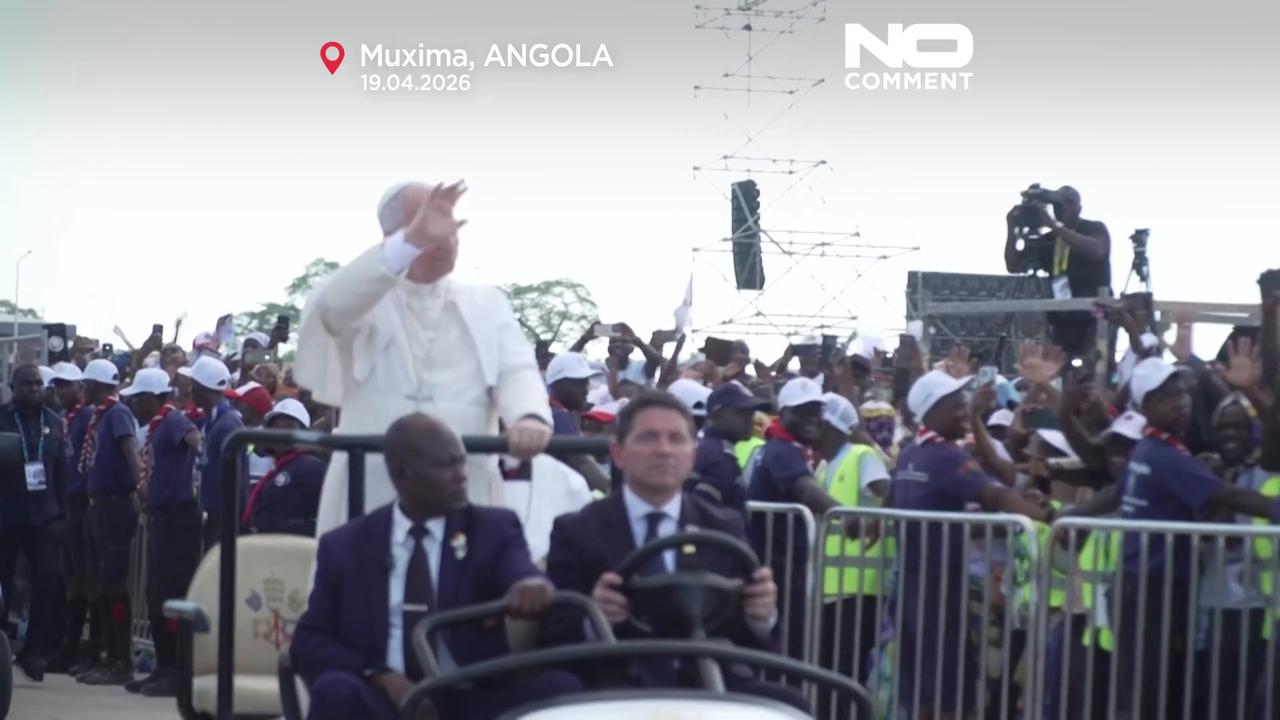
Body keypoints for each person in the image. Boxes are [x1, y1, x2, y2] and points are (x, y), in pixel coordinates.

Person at [297, 181, 553, 535]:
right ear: (393, 237)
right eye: (431, 226)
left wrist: (528, 416)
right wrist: (411, 242)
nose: (448, 238)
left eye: (450, 227)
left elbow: (516, 368)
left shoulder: (487, 304)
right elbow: (331, 309)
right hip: (372, 486)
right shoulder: (363, 297)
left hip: (466, 484)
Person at [290, 412, 580, 720]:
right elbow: (310, 641)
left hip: (473, 695)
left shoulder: (493, 528)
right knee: (335, 691)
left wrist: (530, 586)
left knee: (560, 688)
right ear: (401, 473)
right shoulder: (345, 546)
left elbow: (520, 572)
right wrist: (379, 676)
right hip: (386, 699)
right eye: (446, 465)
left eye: (461, 462)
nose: (461, 475)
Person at [541, 391, 806, 712]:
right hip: (612, 684)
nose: (664, 450)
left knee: (791, 705)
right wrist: (593, 617)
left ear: (692, 454)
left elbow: (750, 638)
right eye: (649, 438)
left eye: (676, 439)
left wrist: (761, 615)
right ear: (618, 454)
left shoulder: (723, 526)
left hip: (708, 680)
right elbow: (554, 635)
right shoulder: (578, 531)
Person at [1113, 358, 1280, 718]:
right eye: (1166, 397)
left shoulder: (1158, 451)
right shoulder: (1162, 454)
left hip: (1157, 585)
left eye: (1182, 393)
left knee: (1156, 683)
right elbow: (1226, 496)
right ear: (1145, 407)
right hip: (1150, 587)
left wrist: (1063, 515)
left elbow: (1115, 492)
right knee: (1148, 686)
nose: (1181, 401)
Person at [888, 368, 1054, 719]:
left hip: (910, 586)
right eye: (955, 405)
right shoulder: (947, 456)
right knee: (949, 688)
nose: (964, 410)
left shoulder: (909, 455)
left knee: (922, 687)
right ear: (931, 412)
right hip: (940, 589)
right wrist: (1050, 518)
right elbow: (995, 495)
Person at [745, 377, 845, 661]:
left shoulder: (784, 448)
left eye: (816, 410)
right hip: (778, 566)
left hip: (783, 563)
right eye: (802, 411)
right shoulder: (783, 451)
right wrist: (849, 518)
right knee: (787, 647)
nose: (812, 418)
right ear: (783, 413)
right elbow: (806, 489)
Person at [118, 367, 202, 696]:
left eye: (138, 399)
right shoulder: (156, 426)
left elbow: (196, 440)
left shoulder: (173, 420)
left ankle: (177, 670)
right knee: (155, 595)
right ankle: (164, 665)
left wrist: (196, 473)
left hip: (179, 517)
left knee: (171, 594)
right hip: (160, 517)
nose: (135, 406)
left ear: (153, 398)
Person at [811, 392, 890, 708]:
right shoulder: (822, 466)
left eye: (815, 421)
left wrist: (870, 522)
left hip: (860, 588)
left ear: (830, 425)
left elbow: (887, 495)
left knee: (848, 675)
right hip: (830, 587)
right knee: (831, 671)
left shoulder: (861, 455)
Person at [0, 363, 69, 682]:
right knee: (3, 584)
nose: (33, 389)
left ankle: (33, 651)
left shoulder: (54, 423)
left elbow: (61, 472)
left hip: (44, 518)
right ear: (13, 387)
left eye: (38, 384)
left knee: (48, 582)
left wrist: (62, 515)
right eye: (26, 384)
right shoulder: (2, 420)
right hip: (6, 515)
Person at [78, 359, 143, 685]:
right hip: (99, 507)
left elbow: (131, 451)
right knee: (101, 584)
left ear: (99, 385)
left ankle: (120, 660)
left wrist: (141, 487)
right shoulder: (99, 416)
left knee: (114, 586)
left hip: (116, 506)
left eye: (86, 383)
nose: (82, 389)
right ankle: (107, 654)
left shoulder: (117, 414)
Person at [1004, 185, 1111, 359]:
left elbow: (1096, 250)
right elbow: (1013, 265)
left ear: (1078, 208)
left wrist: (1053, 226)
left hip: (1093, 316)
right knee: (1056, 372)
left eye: (1067, 205)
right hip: (1062, 320)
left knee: (1092, 371)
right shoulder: (1049, 240)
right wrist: (1012, 229)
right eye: (1059, 205)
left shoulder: (1093, 228)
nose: (1062, 209)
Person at [45, 361, 104, 675]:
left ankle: (89, 648)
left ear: (80, 387)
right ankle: (69, 647)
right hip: (66, 499)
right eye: (57, 385)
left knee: (87, 576)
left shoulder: (86, 416)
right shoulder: (61, 418)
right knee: (72, 577)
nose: (61, 390)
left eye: (67, 385)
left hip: (82, 499)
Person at [180, 356, 243, 550]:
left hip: (223, 519)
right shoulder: (213, 421)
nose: (190, 391)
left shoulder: (227, 424)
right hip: (211, 515)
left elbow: (236, 481)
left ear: (201, 387)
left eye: (194, 385)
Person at [240, 399, 326, 536]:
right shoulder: (280, 467)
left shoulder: (311, 468)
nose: (280, 433)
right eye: (275, 427)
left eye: (288, 427)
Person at [689, 380, 767, 516]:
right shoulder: (720, 458)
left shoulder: (706, 447)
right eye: (741, 413)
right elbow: (703, 514)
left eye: (751, 413)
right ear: (716, 414)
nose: (750, 420)